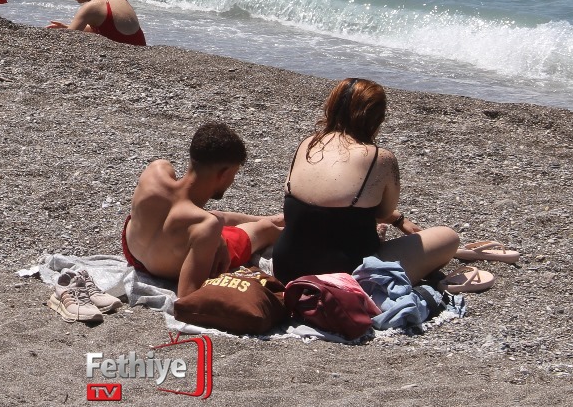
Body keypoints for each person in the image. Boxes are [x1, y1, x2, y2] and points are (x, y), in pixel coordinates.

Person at [270, 78, 518, 291]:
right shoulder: (380, 158)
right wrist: (398, 220)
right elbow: (383, 212)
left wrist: (399, 221)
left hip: (286, 267)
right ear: (376, 117)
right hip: (345, 277)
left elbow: (325, 207)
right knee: (448, 238)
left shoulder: (308, 144)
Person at [122, 122, 284, 297]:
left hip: (134, 253)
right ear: (224, 173)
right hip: (170, 269)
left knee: (212, 218)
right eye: (234, 173)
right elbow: (188, 294)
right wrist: (213, 238)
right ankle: (285, 227)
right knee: (264, 229)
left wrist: (216, 236)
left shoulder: (155, 171)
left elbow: (188, 213)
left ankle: (274, 218)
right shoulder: (206, 225)